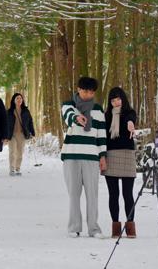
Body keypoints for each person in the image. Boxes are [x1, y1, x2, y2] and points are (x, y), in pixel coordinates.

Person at [60, 76, 107, 238]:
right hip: (71, 155)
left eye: (92, 92)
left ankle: (94, 228)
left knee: (92, 194)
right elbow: (68, 116)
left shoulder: (98, 110)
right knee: (73, 194)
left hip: (91, 157)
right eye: (86, 91)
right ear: (79, 89)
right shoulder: (69, 105)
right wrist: (77, 118)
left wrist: (103, 156)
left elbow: (101, 135)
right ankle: (74, 227)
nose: (88, 95)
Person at [103, 87, 138, 239]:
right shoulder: (106, 116)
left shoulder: (129, 113)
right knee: (113, 194)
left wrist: (130, 123)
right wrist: (101, 156)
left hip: (127, 155)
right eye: (113, 100)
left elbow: (131, 119)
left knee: (127, 193)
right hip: (110, 155)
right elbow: (102, 137)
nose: (116, 102)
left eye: (118, 99)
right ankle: (115, 227)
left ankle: (130, 227)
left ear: (123, 99)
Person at [6, 93, 36, 176]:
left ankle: (17, 168)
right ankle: (12, 169)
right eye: (17, 98)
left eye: (20, 98)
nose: (19, 100)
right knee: (12, 152)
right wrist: (4, 135)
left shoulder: (26, 111)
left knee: (20, 153)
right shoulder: (9, 112)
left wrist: (32, 133)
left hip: (22, 135)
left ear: (22, 100)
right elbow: (5, 124)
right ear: (14, 100)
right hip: (12, 135)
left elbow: (30, 122)